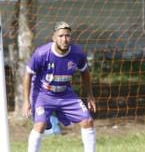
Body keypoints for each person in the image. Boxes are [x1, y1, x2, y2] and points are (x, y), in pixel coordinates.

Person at [22, 21, 96, 152]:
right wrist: (26, 101)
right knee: (40, 125)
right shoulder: (42, 53)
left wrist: (90, 95)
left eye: (67, 36)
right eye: (61, 36)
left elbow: (85, 72)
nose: (64, 39)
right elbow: (28, 74)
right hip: (43, 94)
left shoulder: (77, 53)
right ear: (54, 38)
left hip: (65, 94)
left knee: (88, 121)